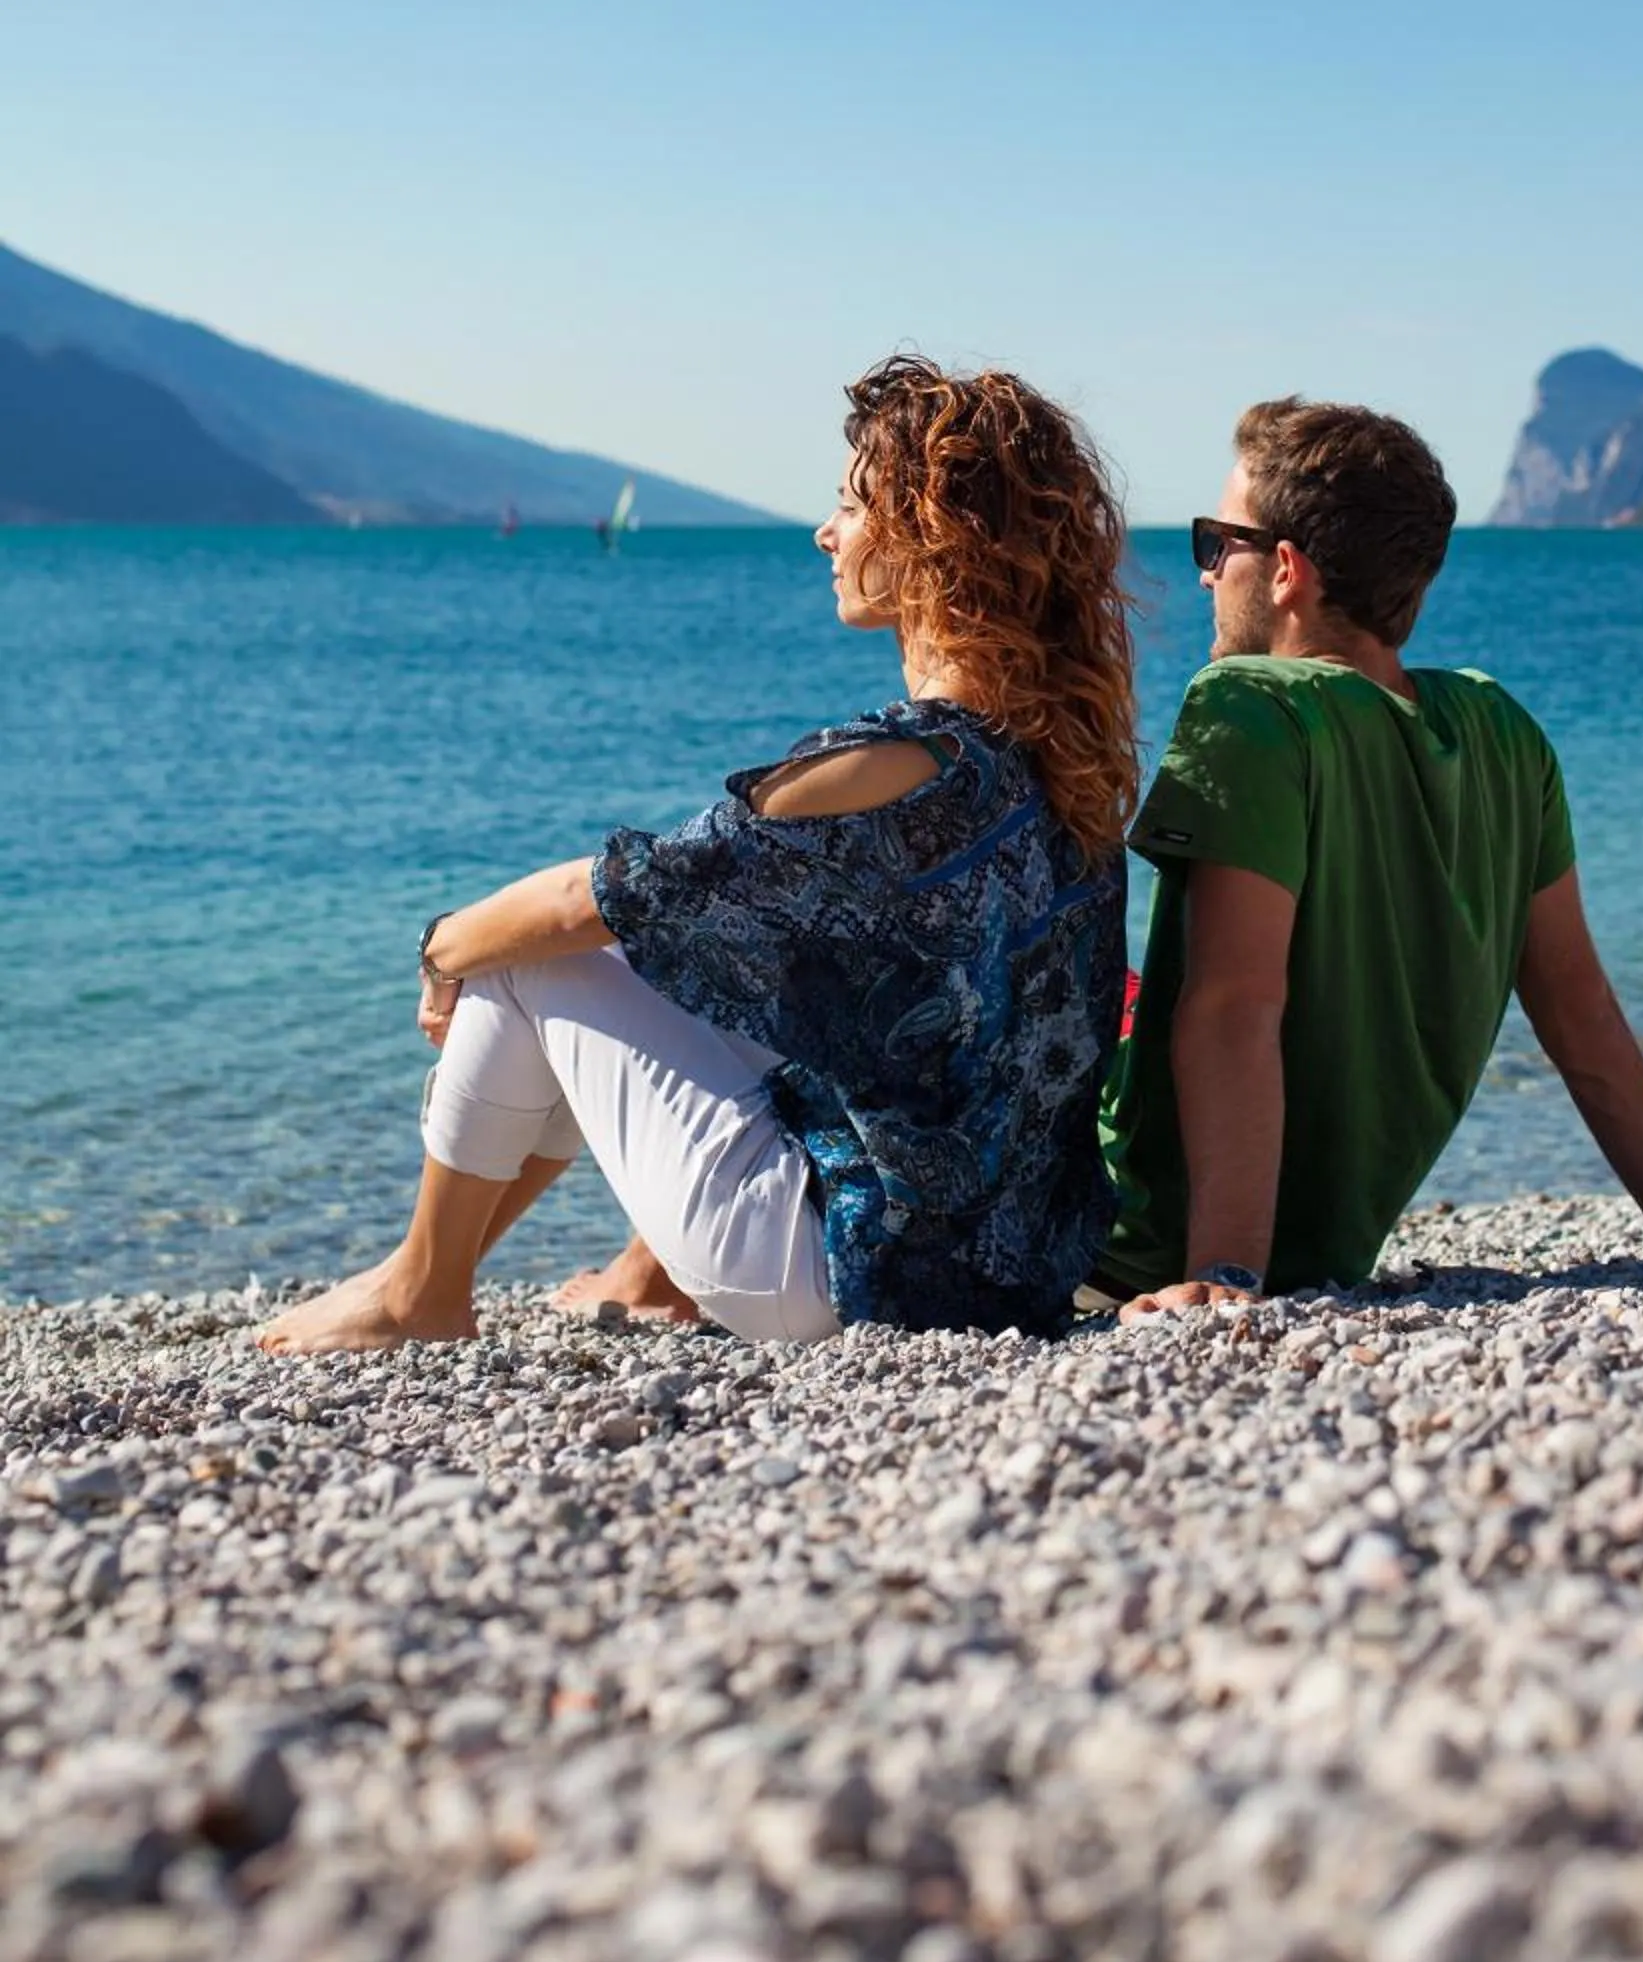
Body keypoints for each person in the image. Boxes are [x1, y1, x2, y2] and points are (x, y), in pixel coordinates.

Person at [261, 357, 1137, 1355]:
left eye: (849, 507)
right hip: (1013, 1277)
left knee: (526, 956)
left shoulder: (881, 769)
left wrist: (442, 946)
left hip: (851, 1281)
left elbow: (597, 899)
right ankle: (598, 1279)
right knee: (727, 961)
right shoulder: (1055, 760)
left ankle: (420, 1290)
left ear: (926, 534)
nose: (825, 533)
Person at [1095, 398, 1643, 1318]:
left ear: (1285, 570)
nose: (1203, 575)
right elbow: (1580, 1012)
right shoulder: (1500, 731)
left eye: (1214, 543)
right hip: (1324, 1252)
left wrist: (1228, 1274)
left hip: (1123, 1240)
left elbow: (1236, 1003)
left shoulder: (1249, 706)